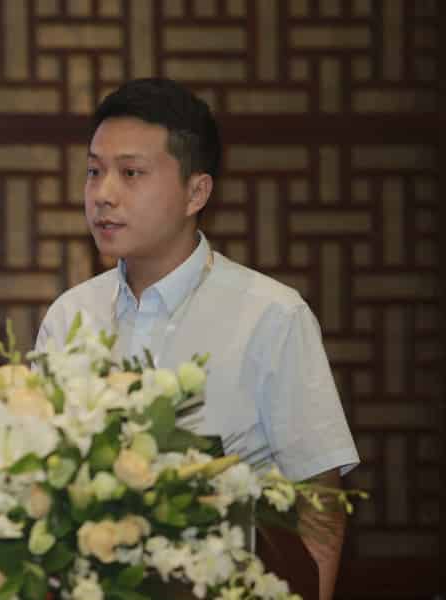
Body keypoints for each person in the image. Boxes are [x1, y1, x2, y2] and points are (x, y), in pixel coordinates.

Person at [33, 78, 359, 599]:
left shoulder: (272, 316)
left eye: (130, 173)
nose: (102, 194)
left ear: (196, 192)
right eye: (94, 171)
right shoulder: (70, 316)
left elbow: (319, 501)